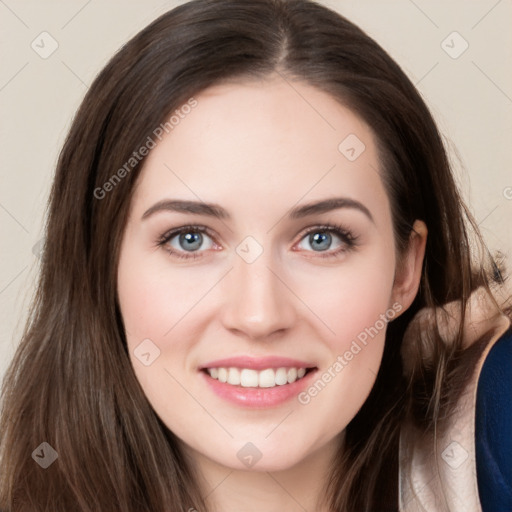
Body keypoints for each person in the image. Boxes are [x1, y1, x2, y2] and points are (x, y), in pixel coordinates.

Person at [0, 0, 510, 510]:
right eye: (190, 238)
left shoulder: (491, 438)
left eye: (321, 239)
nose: (259, 315)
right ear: (102, 263)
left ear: (404, 271)